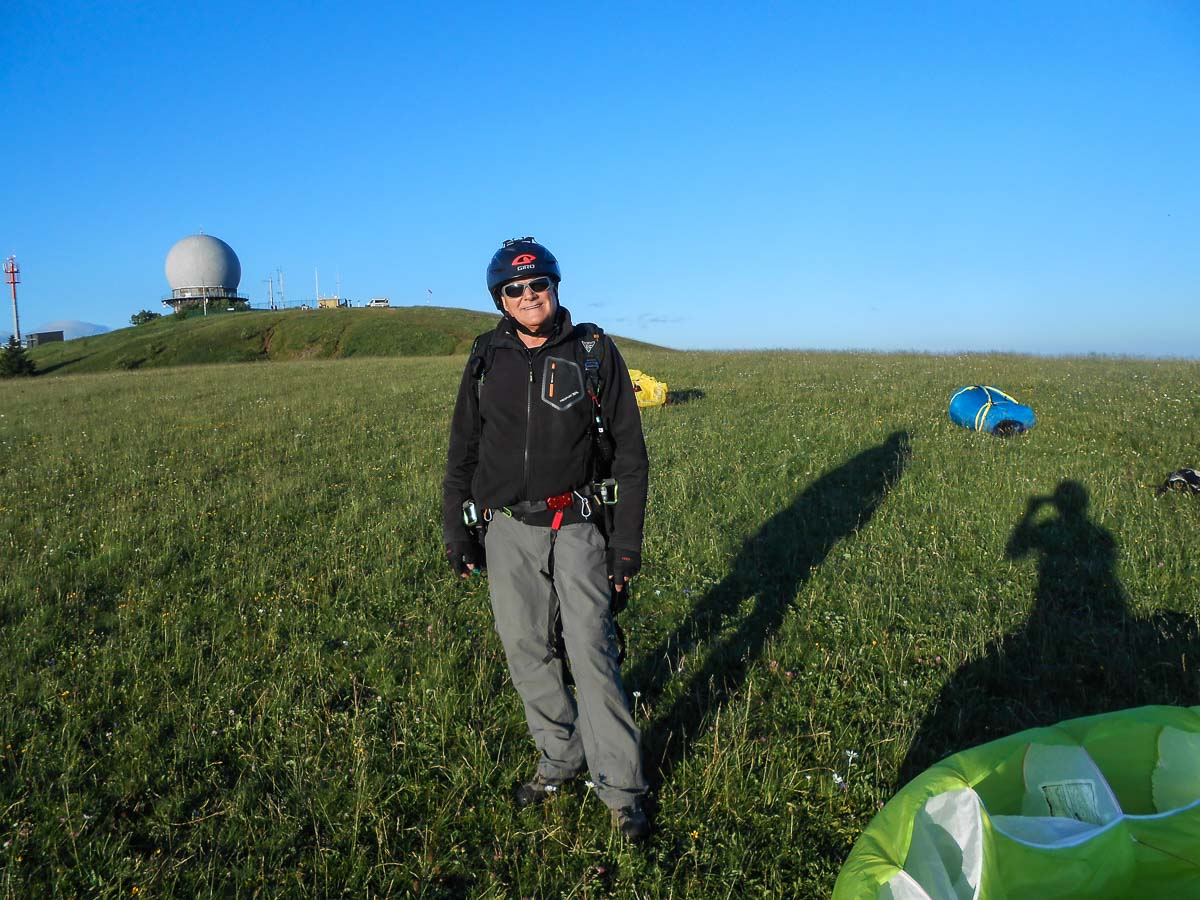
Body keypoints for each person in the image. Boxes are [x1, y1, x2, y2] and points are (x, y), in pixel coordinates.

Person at [442, 237, 650, 840]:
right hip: (506, 529)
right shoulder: (486, 358)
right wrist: (457, 530)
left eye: (539, 284)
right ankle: (560, 756)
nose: (529, 296)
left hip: (578, 524)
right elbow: (463, 450)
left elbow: (630, 457)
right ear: (500, 299)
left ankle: (622, 790)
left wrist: (625, 545)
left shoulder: (592, 351)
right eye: (515, 289)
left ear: (555, 288)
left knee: (591, 652)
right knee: (526, 648)